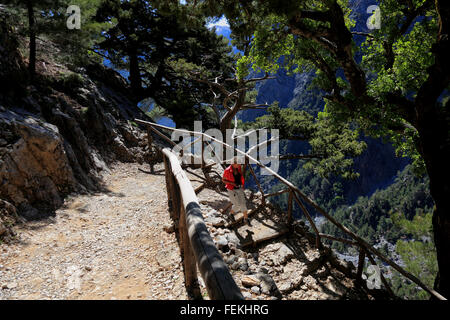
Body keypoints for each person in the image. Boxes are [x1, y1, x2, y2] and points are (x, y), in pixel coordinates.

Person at [222, 157, 250, 224]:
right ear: (233, 164)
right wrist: (232, 183)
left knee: (243, 203)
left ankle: (246, 218)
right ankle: (231, 214)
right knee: (237, 205)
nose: (240, 165)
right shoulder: (227, 170)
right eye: (238, 164)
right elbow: (223, 180)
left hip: (239, 187)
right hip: (231, 189)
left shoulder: (238, 168)